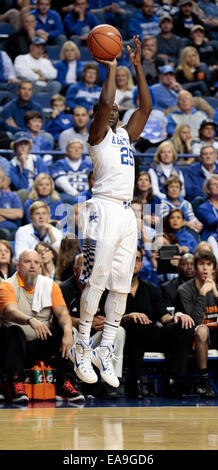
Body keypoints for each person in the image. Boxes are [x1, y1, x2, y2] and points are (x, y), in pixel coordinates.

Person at [71, 35, 152, 389]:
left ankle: (106, 348)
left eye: (118, 111)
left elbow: (145, 109)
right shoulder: (97, 135)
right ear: (99, 116)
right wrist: (112, 67)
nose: (115, 111)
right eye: (110, 110)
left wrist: (137, 67)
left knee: (120, 285)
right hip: (101, 209)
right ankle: (82, 342)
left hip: (125, 213)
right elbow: (105, 101)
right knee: (97, 279)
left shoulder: (124, 136)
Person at [0, 249, 84, 403]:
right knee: (14, 331)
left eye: (36, 262)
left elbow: (63, 313)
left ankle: (66, 382)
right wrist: (30, 320)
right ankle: (16, 382)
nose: (32, 265)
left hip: (39, 345)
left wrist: (67, 333)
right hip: (12, 348)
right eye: (27, 262)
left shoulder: (50, 285)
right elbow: (10, 310)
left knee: (66, 330)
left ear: (40, 267)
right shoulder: (7, 285)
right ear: (18, 266)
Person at [122, 247, 195, 398]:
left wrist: (178, 316)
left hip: (150, 335)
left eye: (137, 259)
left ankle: (171, 379)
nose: (133, 263)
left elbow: (164, 317)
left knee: (184, 326)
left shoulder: (152, 289)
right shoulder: (112, 290)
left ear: (141, 264)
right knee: (137, 324)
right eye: (129, 258)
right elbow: (105, 318)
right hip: (125, 337)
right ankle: (136, 382)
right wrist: (129, 316)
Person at [60, 252, 126, 399]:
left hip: (94, 339)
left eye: (92, 265)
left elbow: (111, 314)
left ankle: (109, 380)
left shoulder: (102, 288)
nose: (88, 268)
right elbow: (61, 317)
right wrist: (87, 323)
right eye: (84, 264)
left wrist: (105, 323)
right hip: (77, 337)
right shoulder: (65, 288)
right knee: (68, 330)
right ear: (75, 269)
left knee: (118, 331)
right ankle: (74, 379)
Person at [176, 249, 218, 397]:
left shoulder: (217, 288)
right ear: (195, 267)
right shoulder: (184, 290)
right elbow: (195, 321)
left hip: (215, 334)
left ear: (214, 268)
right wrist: (202, 294)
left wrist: (216, 294)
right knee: (202, 330)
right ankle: (204, 382)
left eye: (209, 264)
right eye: (201, 264)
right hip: (194, 337)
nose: (205, 268)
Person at [51, 137, 92, 204]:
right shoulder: (60, 164)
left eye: (79, 148)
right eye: (73, 147)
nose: (76, 150)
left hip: (86, 194)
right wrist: (76, 194)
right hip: (67, 195)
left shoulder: (88, 165)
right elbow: (61, 183)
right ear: (67, 150)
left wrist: (84, 194)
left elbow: (92, 181)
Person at [196, 174, 218, 261]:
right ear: (208, 189)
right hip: (212, 237)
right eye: (215, 184)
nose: (217, 186)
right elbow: (213, 222)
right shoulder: (203, 207)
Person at [0, 166, 24, 241]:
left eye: (0, 178)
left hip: (14, 231)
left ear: (3, 181)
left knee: (22, 234)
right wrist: (10, 214)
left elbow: (19, 214)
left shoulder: (12, 196)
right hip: (1, 231)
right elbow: (15, 213)